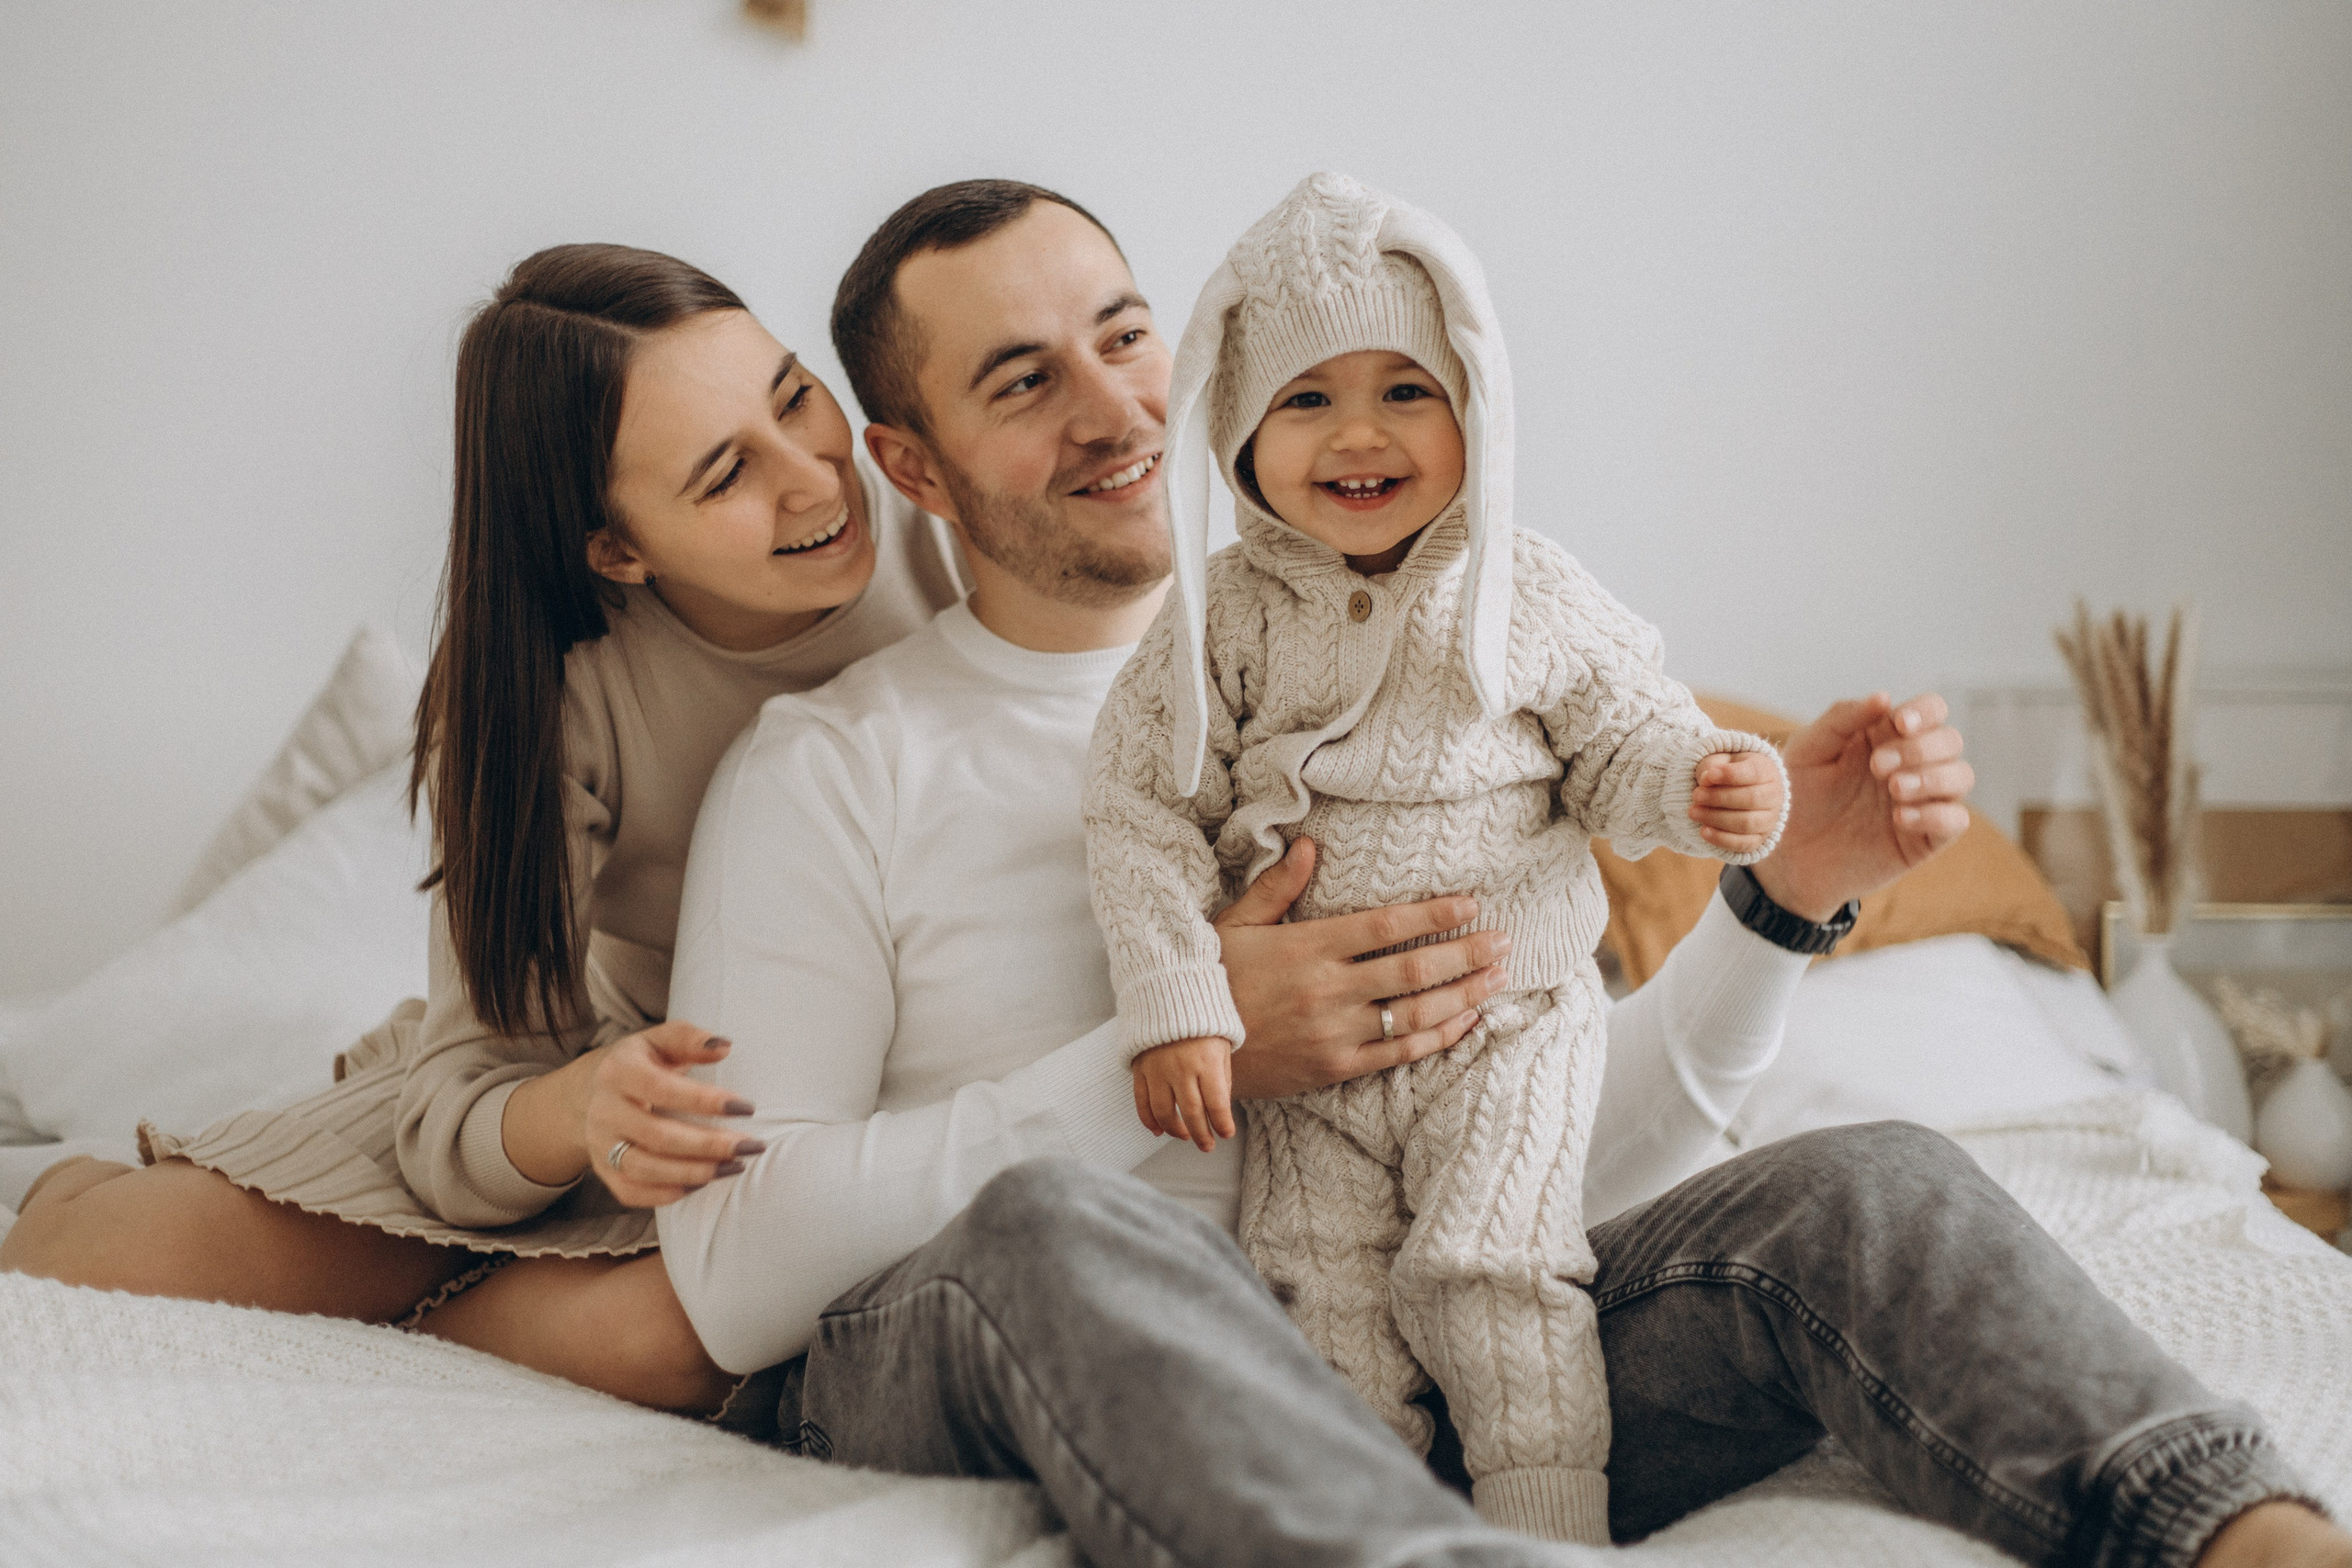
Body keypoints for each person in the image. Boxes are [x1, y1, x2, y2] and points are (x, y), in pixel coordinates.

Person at [657, 179, 2344, 1568]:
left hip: (1412, 1347)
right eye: (1023, 381)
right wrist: (1172, 1054)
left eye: (1123, 336)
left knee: (1870, 1178)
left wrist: (1782, 895)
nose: (1115, 410)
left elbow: (1552, 1150)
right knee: (1059, 1221)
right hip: (1028, 1330)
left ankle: (2236, 1530)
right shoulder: (836, 766)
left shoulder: (1456, 658)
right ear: (914, 463)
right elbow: (730, 1278)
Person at [0, 243, 967, 1412]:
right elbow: (477, 1091)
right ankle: (71, 1177)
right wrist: (591, 1106)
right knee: (92, 1259)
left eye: (794, 395)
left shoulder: (952, 529)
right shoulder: (549, 694)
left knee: (684, 1345)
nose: (814, 479)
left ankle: (429, 1320)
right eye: (725, 476)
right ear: (616, 548)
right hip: (624, 1101)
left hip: (872, 1083)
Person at [1082, 171, 1791, 1543]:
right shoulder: (1216, 618)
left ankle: (1549, 1527)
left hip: (1505, 1019)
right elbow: (1141, 813)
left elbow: (1623, 734)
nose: (1360, 432)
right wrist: (1176, 1003)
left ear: (1478, 406)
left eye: (1407, 390)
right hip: (1310, 1062)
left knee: (1494, 1266)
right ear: (1236, 435)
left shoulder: (1527, 588)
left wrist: (1699, 781)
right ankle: (1374, 1535)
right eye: (1306, 399)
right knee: (1317, 1293)